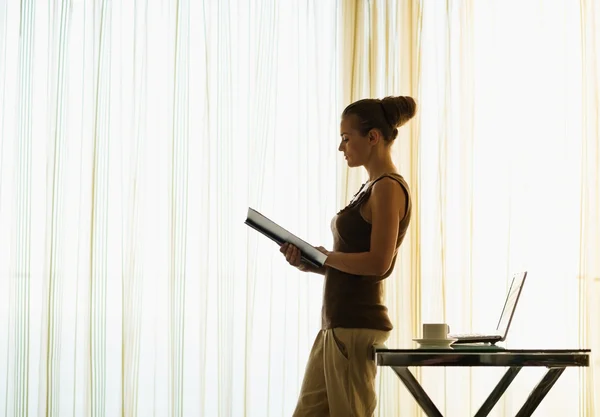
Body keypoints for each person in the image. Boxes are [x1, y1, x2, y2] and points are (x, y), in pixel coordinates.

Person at [280, 95, 416, 417]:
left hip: (355, 327)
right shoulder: (369, 188)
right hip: (336, 325)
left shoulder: (387, 188)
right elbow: (352, 261)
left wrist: (326, 258)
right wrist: (311, 263)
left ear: (373, 137)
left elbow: (378, 263)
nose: (341, 147)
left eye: (346, 138)